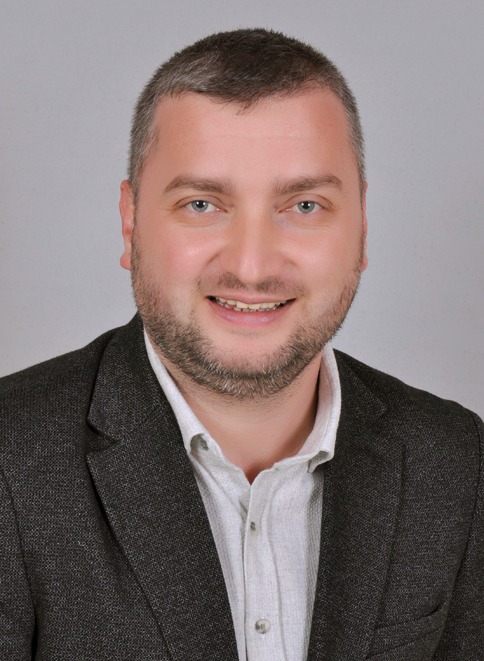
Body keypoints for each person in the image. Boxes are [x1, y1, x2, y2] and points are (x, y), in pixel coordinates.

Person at [0, 28, 482, 661]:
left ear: (362, 228)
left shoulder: (456, 463)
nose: (252, 267)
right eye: (202, 204)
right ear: (130, 221)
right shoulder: (10, 462)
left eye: (304, 206)